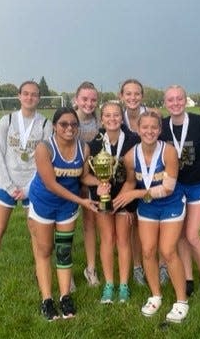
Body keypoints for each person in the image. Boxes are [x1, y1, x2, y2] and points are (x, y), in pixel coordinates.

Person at [28, 107, 105, 321]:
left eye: (73, 124)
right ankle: (47, 299)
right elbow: (51, 184)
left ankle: (64, 297)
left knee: (63, 251)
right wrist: (82, 201)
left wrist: (101, 183)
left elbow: (84, 177)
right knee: (44, 250)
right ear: (54, 126)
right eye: (64, 124)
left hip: (67, 207)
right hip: (44, 203)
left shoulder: (84, 148)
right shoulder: (45, 148)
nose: (69, 128)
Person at [113, 110, 189, 323]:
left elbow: (167, 188)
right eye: (144, 127)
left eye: (153, 128)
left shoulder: (169, 152)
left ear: (159, 129)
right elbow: (130, 182)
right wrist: (117, 200)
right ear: (138, 129)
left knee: (167, 250)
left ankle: (182, 300)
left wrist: (135, 194)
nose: (149, 131)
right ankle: (156, 295)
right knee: (147, 251)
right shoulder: (130, 156)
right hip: (148, 207)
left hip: (170, 203)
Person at [0, 81, 52, 298]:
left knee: (36, 235)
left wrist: (28, 188)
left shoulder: (45, 124)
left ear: (39, 98)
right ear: (19, 96)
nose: (30, 98)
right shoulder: (7, 120)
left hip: (33, 186)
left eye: (34, 95)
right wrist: (9, 186)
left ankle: (39, 273)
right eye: (26, 94)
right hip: (5, 184)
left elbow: (46, 160)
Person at [161, 85, 200, 300]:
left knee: (192, 235)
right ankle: (187, 278)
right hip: (174, 187)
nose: (175, 103)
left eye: (179, 99)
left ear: (185, 100)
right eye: (171, 100)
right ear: (165, 103)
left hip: (198, 184)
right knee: (181, 236)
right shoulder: (162, 126)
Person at [87, 101, 140, 304]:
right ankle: (109, 284)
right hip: (103, 199)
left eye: (116, 115)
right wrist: (98, 186)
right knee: (107, 239)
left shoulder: (133, 141)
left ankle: (124, 285)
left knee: (123, 240)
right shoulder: (94, 144)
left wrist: (122, 199)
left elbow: (133, 176)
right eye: (107, 116)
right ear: (101, 119)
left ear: (122, 117)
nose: (112, 119)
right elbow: (85, 176)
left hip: (125, 198)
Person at [119, 78, 168, 286]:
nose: (132, 97)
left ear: (142, 96)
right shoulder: (116, 118)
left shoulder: (153, 115)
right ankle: (138, 266)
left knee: (161, 223)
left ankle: (163, 264)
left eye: (136, 93)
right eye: (128, 94)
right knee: (134, 225)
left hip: (156, 177)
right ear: (121, 96)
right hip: (132, 179)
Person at [73, 81, 101, 287]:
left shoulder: (101, 120)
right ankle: (64, 270)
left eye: (93, 99)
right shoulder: (67, 119)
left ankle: (90, 268)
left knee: (90, 225)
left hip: (92, 181)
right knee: (66, 226)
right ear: (76, 99)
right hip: (69, 181)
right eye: (85, 99)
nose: (89, 103)